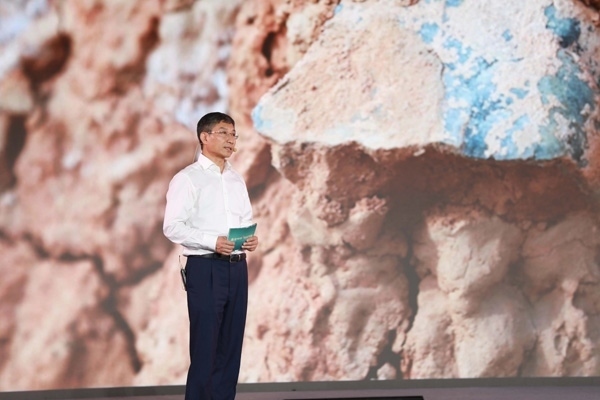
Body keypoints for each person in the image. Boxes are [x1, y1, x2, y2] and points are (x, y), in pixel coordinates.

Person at [163, 112, 258, 400]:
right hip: (205, 269)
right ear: (205, 137)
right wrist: (212, 242)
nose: (231, 140)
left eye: (233, 134)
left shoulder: (236, 179)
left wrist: (249, 239)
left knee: (230, 347)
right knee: (206, 347)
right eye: (224, 133)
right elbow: (172, 226)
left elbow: (244, 219)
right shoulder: (187, 179)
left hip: (237, 268)